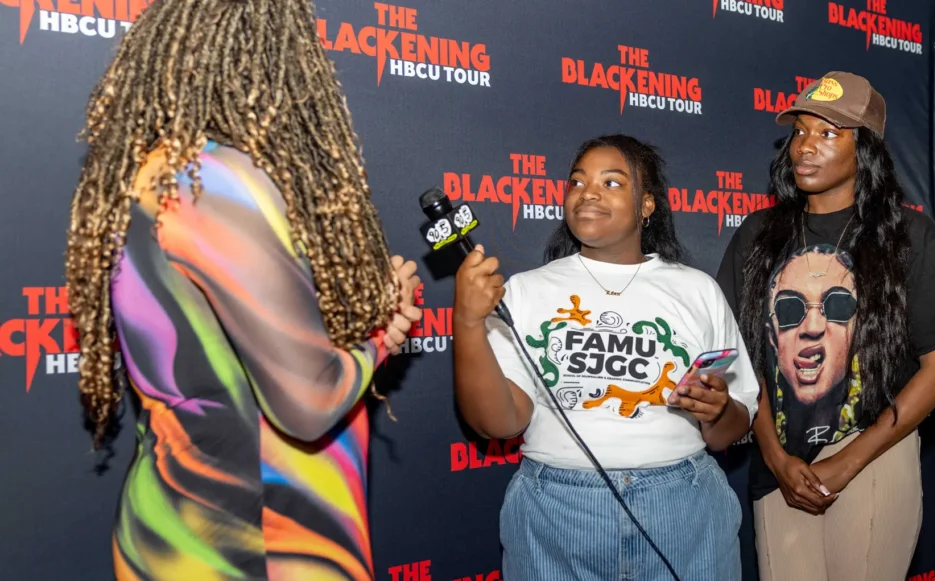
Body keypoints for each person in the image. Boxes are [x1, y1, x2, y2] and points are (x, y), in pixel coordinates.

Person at [64, 0, 422, 578]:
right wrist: (383, 331)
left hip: (183, 527)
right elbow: (308, 405)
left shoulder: (155, 177)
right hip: (253, 544)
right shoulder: (213, 185)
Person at [716, 71, 935, 581]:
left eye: (827, 133)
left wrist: (848, 461)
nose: (805, 147)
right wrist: (774, 457)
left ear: (865, 149)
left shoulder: (908, 235)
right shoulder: (758, 234)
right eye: (799, 131)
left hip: (872, 450)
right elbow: (742, 357)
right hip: (780, 465)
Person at [452, 134, 760, 580]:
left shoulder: (696, 290)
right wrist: (466, 322)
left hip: (684, 510)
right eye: (577, 182)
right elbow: (499, 423)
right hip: (555, 514)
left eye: (611, 183)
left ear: (647, 205)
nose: (588, 192)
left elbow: (730, 429)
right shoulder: (526, 290)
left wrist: (718, 410)